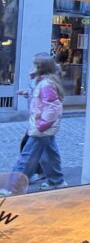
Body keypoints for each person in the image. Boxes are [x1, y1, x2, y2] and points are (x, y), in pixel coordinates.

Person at [0, 53, 67, 197]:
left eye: (34, 65)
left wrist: (42, 125)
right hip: (43, 127)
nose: (31, 67)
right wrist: (28, 93)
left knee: (27, 157)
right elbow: (41, 99)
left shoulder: (46, 84)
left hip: (41, 128)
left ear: (40, 67)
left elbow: (53, 107)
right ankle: (57, 181)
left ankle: (12, 187)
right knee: (49, 155)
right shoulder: (43, 82)